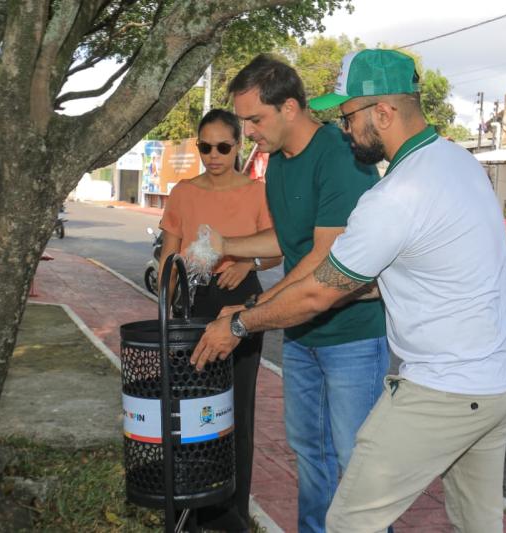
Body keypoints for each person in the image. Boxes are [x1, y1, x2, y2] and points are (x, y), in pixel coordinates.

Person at [191, 49, 506, 533]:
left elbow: (318, 293)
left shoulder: (395, 195)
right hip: (503, 383)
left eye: (349, 116)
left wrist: (242, 321)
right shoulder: (460, 163)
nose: (344, 128)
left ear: (384, 113)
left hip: (447, 390)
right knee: (478, 524)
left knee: (350, 521)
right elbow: (388, 276)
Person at [203, 54, 389, 533]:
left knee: (357, 464)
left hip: (351, 337)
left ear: (290, 107)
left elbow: (323, 260)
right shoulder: (279, 164)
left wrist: (250, 310)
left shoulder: (339, 154)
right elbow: (290, 242)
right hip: (302, 336)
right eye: (244, 121)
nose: (249, 131)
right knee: (311, 455)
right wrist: (226, 246)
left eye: (255, 119)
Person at [158, 108, 282, 532]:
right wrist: (165, 305)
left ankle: (233, 513)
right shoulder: (183, 192)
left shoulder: (257, 192)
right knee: (189, 409)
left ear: (237, 146)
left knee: (237, 408)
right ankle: (192, 508)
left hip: (241, 303)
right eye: (205, 147)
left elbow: (279, 246)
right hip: (193, 305)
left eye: (223, 147)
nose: (214, 155)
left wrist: (248, 263)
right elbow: (169, 257)